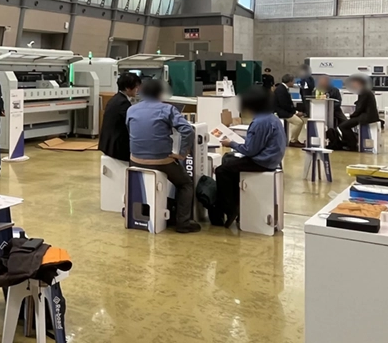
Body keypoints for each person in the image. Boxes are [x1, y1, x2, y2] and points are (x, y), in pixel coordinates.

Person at [126, 79, 199, 233]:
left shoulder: (131, 110)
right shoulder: (167, 109)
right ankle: (183, 222)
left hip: (135, 159)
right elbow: (188, 130)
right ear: (160, 93)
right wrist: (182, 153)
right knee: (185, 184)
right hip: (161, 160)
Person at [215, 85, 287, 227]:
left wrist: (231, 143)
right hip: (272, 158)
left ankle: (230, 208)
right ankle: (237, 202)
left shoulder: (259, 122)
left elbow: (250, 150)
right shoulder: (272, 118)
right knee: (229, 160)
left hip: (262, 161)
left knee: (221, 170)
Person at [99, 73, 141, 162]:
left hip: (107, 143)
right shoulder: (123, 103)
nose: (137, 90)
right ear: (127, 88)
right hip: (117, 146)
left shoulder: (116, 99)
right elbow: (131, 123)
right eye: (136, 87)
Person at [338, 76, 380, 151]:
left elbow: (360, 107)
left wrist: (352, 116)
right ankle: (353, 142)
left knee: (343, 126)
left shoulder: (363, 92)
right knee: (346, 125)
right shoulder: (365, 91)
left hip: (366, 117)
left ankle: (352, 145)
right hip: (368, 115)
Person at [274, 74, 306, 147]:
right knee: (299, 122)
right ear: (290, 81)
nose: (294, 82)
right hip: (281, 112)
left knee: (300, 120)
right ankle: (293, 141)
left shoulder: (282, 88)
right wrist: (295, 112)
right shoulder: (281, 90)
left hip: (284, 110)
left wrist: (295, 111)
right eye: (293, 81)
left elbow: (287, 104)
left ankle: (295, 139)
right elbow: (284, 104)